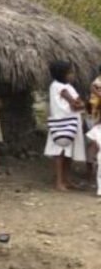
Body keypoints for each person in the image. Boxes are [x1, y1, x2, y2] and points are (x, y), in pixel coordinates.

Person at [46, 60, 86, 191]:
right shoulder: (60, 87)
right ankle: (59, 182)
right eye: (70, 73)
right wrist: (80, 104)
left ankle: (66, 180)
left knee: (67, 153)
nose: (72, 75)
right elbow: (75, 104)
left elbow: (76, 102)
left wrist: (78, 103)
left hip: (69, 122)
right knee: (61, 153)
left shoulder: (64, 86)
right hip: (63, 123)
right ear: (62, 74)